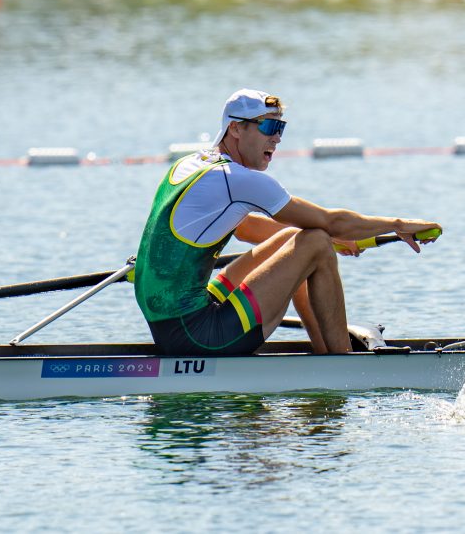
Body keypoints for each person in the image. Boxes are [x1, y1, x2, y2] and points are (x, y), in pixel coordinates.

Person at [134, 88, 441, 356]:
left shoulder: (189, 165)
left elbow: (246, 228)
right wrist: (397, 224)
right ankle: (343, 363)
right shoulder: (236, 180)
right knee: (316, 243)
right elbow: (331, 221)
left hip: (171, 325)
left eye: (280, 127)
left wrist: (330, 238)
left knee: (303, 238)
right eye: (268, 126)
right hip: (197, 336)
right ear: (236, 129)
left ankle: (325, 351)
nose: (277, 138)